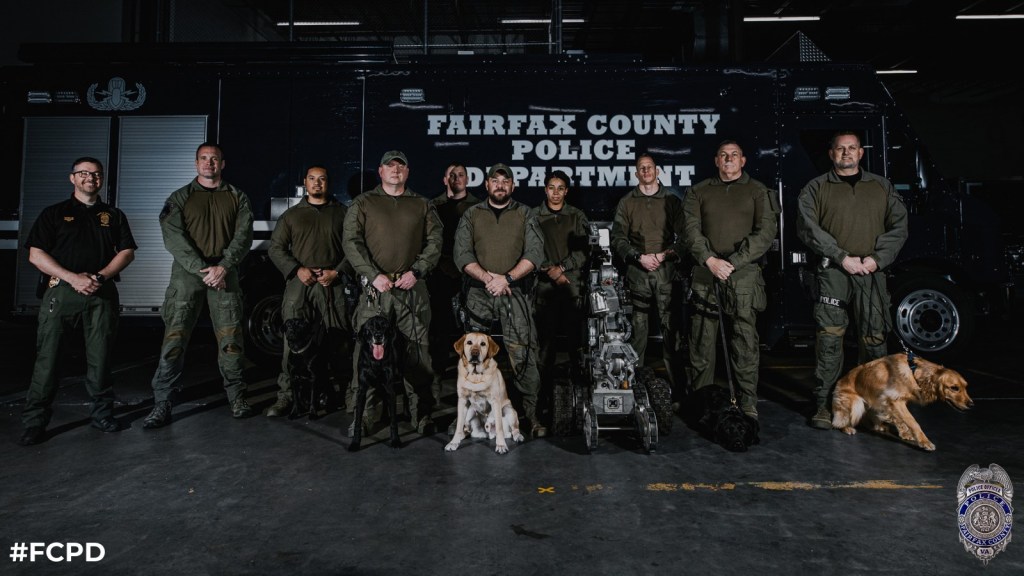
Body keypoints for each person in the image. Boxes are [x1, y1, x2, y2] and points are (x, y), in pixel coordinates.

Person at [18, 157, 137, 445]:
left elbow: (126, 252)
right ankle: (35, 422)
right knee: (48, 359)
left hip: (100, 292)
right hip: (61, 292)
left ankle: (102, 415)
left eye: (96, 174)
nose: (90, 178)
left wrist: (99, 276)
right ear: (72, 178)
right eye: (84, 173)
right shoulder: (54, 214)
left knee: (100, 358)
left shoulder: (113, 215)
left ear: (102, 179)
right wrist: (73, 278)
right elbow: (36, 255)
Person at [797, 131, 908, 429]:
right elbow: (807, 228)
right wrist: (841, 256)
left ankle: (876, 407)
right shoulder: (816, 188)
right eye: (840, 148)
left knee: (874, 339)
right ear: (831, 154)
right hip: (834, 272)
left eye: (852, 148)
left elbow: (899, 227)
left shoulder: (881, 187)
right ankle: (825, 405)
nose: (846, 153)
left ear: (861, 153)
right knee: (829, 339)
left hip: (871, 272)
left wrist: (877, 259)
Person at [143, 143, 255, 428]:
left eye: (214, 159)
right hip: (188, 275)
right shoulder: (180, 198)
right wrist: (201, 269)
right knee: (175, 339)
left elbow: (243, 236)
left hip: (224, 273)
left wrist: (224, 266)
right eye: (203, 159)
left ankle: (237, 397)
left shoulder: (237, 197)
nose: (209, 163)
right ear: (196, 164)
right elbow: (173, 238)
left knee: (231, 340)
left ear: (222, 164)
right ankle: (162, 402)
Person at [342, 150, 441, 436]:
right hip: (376, 291)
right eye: (390, 165)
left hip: (412, 289)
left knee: (417, 353)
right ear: (381, 171)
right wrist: (373, 275)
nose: (395, 170)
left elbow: (435, 241)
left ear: (407, 172)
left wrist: (417, 271)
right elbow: (351, 242)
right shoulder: (363, 203)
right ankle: (365, 416)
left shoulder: (422, 204)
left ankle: (421, 415)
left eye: (401, 166)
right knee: (368, 354)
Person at [683, 141, 778, 419]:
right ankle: (701, 403)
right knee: (701, 342)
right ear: (716, 161)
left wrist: (734, 262)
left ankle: (747, 403)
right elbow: (691, 231)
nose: (728, 159)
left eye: (734, 155)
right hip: (706, 272)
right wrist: (710, 260)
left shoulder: (758, 191)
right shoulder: (698, 191)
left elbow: (765, 233)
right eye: (723, 155)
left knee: (744, 342)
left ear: (743, 160)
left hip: (743, 274)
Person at [453, 163, 547, 438]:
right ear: (487, 185)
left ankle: (531, 416)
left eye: (505, 181)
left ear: (513, 186)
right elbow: (462, 254)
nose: (500, 185)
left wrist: (506, 278)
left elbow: (535, 253)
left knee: (523, 354)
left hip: (513, 291)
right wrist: (487, 278)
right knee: (472, 355)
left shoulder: (525, 213)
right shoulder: (472, 214)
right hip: (479, 293)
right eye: (495, 180)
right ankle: (468, 418)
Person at [266, 165, 352, 417]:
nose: (317, 183)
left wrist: (337, 272)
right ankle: (286, 395)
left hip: (331, 283)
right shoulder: (292, 216)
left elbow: (354, 248)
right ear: (305, 182)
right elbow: (275, 249)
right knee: (292, 342)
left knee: (339, 339)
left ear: (328, 182)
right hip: (299, 282)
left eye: (322, 179)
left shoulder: (343, 213)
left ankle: (344, 393)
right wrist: (296, 269)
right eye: (312, 179)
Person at [610, 153, 686, 392]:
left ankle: (679, 391)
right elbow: (618, 238)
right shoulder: (627, 202)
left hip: (666, 274)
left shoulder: (671, 201)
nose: (646, 171)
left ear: (657, 171)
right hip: (638, 275)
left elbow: (686, 237)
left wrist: (664, 255)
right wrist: (638, 257)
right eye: (641, 168)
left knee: (672, 332)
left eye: (649, 167)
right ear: (636, 174)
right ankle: (634, 389)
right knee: (637, 332)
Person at [530, 170, 590, 394]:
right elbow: (530, 249)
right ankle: (542, 398)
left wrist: (563, 268)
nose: (555, 193)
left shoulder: (576, 216)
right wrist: (550, 270)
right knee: (545, 348)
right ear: (545, 190)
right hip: (544, 289)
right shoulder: (534, 216)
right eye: (551, 188)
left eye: (560, 188)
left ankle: (580, 395)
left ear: (566, 191)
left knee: (577, 347)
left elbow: (585, 249)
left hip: (571, 286)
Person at [427, 162, 480, 403]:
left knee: (470, 334)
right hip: (439, 276)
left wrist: (465, 267)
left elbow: (481, 243)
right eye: (452, 175)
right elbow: (427, 241)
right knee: (438, 333)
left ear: (467, 179)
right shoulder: (433, 206)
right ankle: (436, 383)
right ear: (444, 180)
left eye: (460, 175)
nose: (456, 178)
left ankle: (472, 387)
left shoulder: (478, 207)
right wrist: (442, 263)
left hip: (469, 277)